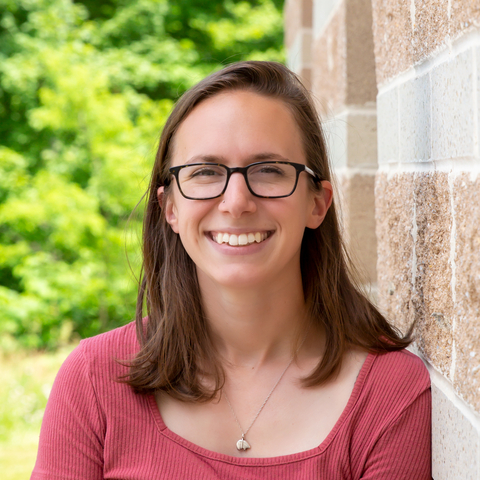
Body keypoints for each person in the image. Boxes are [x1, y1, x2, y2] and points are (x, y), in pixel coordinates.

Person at [31, 61, 431, 479]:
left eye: (269, 170)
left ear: (317, 203)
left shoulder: (389, 395)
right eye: (205, 172)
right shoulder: (94, 381)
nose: (236, 201)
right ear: (170, 207)